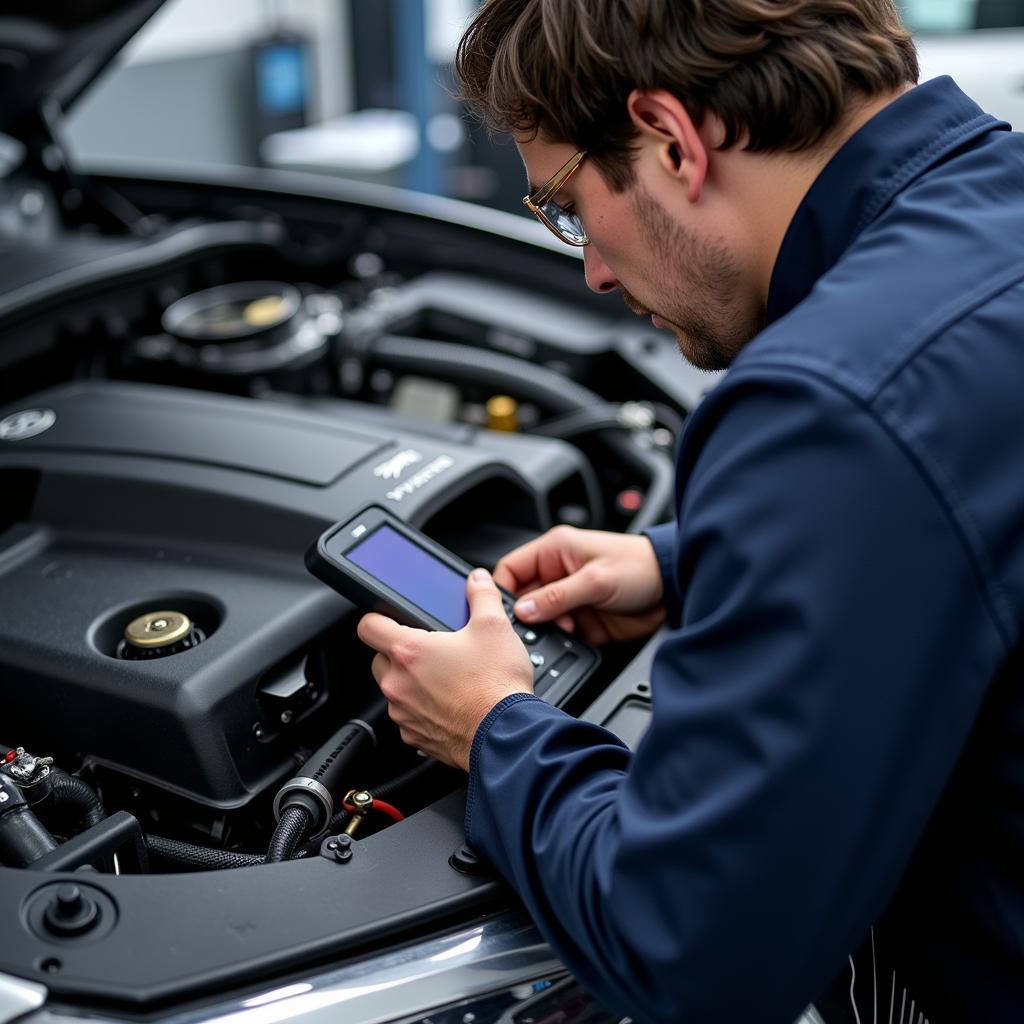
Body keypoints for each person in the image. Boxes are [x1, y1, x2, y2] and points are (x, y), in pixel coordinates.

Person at [356, 2, 1024, 1021]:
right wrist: (692, 560)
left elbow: (696, 949)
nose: (591, 269)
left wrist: (493, 727)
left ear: (670, 138)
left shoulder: (822, 408)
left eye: (569, 206)